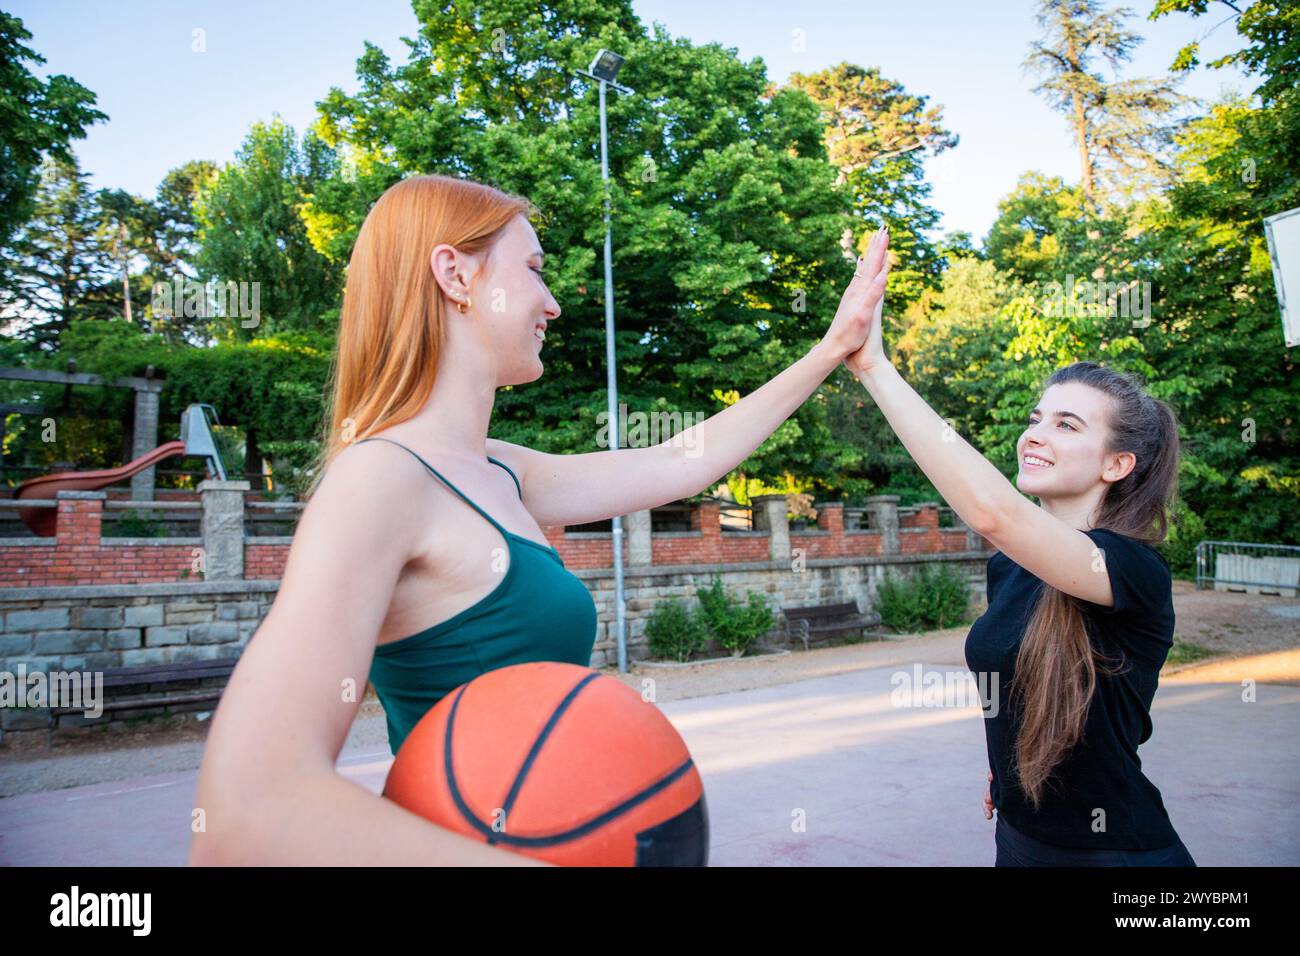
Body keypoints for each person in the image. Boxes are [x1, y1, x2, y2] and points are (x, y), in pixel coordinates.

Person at [188, 174, 891, 865]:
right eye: (533, 269)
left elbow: (681, 460)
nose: (552, 303)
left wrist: (831, 351)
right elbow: (246, 808)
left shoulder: (501, 471)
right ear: (455, 275)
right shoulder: (378, 479)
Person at [843, 231, 1196, 866]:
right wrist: (1006, 776)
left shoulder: (1131, 569)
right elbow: (1015, 683)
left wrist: (875, 366)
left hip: (1119, 855)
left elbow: (993, 511)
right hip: (1020, 841)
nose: (1034, 433)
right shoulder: (1010, 567)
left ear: (1118, 463)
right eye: (1036, 418)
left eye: (1066, 425)